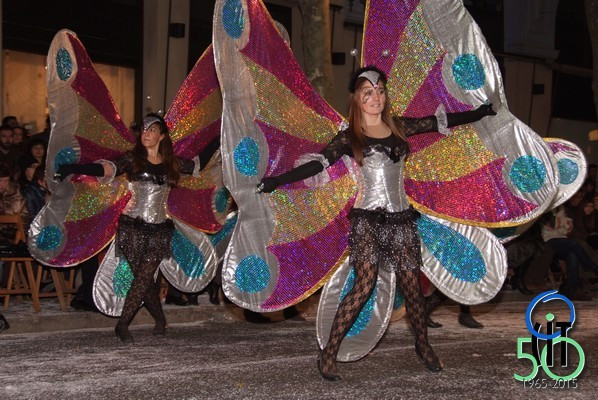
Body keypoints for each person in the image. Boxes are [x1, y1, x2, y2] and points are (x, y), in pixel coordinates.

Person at [258, 66, 496, 380]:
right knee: (364, 285)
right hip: (367, 220)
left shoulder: (399, 126)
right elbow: (318, 164)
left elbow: (440, 121)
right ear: (357, 98)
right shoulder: (350, 136)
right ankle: (329, 352)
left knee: (412, 287)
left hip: (401, 219)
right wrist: (277, 181)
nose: (376, 98)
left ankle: (423, 344)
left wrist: (479, 112)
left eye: (380, 91)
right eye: (368, 93)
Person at [55, 113, 220, 342]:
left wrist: (219, 138)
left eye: (152, 130)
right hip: (131, 228)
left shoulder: (172, 163)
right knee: (143, 280)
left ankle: (122, 324)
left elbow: (198, 164)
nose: (147, 133)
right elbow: (106, 169)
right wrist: (73, 168)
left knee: (144, 276)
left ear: (162, 136)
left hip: (159, 230)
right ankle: (159, 319)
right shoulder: (132, 159)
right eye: (144, 129)